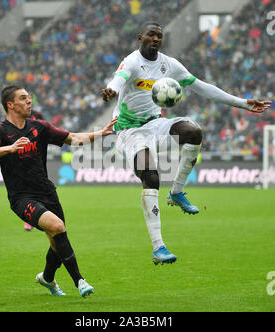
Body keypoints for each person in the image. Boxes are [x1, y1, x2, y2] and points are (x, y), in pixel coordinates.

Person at [102, 21, 271, 265]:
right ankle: (159, 247)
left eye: (159, 36)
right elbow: (118, 79)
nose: (156, 39)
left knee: (193, 131)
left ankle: (177, 191)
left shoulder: (168, 65)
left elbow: (203, 87)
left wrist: (243, 103)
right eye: (151, 35)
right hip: (129, 131)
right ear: (141, 38)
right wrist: (110, 90)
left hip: (154, 124)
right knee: (151, 176)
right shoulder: (131, 62)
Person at [0, 85, 117, 297]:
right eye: (23, 98)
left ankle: (47, 278)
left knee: (57, 239)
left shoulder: (39, 127)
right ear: (10, 104)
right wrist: (10, 148)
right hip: (22, 198)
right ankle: (79, 281)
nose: (29, 101)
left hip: (47, 192)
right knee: (57, 226)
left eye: (29, 97)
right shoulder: (0, 131)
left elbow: (72, 138)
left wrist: (101, 133)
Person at [24, 109, 45, 231]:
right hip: (27, 167)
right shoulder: (22, 132)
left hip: (40, 167)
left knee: (38, 195)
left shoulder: (41, 130)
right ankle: (30, 221)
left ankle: (34, 220)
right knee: (29, 194)